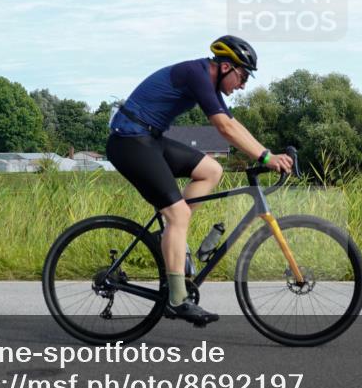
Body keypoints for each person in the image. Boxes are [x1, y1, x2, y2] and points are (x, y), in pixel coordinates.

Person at [106, 35, 293, 326]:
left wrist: (266, 153)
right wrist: (266, 158)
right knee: (179, 213)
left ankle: (172, 236)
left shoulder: (206, 81)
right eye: (242, 76)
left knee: (211, 170)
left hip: (149, 139)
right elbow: (224, 127)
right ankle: (177, 299)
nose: (243, 85)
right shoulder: (196, 73)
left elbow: (232, 123)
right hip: (129, 142)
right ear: (227, 67)